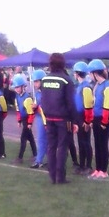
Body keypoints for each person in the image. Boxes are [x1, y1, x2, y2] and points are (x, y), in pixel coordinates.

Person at [40, 52, 77, 185]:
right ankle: (60, 177)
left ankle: (52, 176)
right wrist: (75, 121)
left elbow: (43, 99)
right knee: (62, 147)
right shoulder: (66, 80)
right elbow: (70, 103)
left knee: (51, 146)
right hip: (63, 119)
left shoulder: (45, 80)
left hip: (49, 117)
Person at [87, 59, 109, 179]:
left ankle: (104, 170)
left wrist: (104, 121)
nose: (89, 76)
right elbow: (94, 103)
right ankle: (98, 169)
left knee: (103, 144)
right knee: (97, 144)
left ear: (95, 73)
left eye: (90, 73)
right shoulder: (97, 86)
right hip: (97, 117)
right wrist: (92, 119)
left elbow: (108, 105)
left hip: (105, 118)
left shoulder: (107, 86)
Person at [72, 61, 93, 175]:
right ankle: (82, 165)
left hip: (84, 116)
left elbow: (88, 106)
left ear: (77, 73)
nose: (74, 74)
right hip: (78, 116)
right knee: (80, 142)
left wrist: (87, 121)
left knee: (86, 142)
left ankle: (88, 166)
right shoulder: (79, 86)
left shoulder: (85, 87)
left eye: (75, 72)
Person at [12, 74, 37, 164]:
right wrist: (19, 120)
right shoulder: (17, 97)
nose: (16, 89)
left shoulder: (27, 98)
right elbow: (18, 110)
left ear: (23, 87)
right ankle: (35, 154)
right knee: (30, 138)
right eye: (15, 87)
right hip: (23, 119)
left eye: (18, 87)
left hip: (27, 120)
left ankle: (20, 157)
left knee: (23, 138)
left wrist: (30, 123)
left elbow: (31, 113)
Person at [30, 69, 47, 169]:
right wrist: (34, 107)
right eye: (34, 82)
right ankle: (41, 159)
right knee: (42, 139)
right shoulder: (38, 93)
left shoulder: (47, 92)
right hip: (40, 117)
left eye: (36, 81)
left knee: (44, 139)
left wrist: (37, 107)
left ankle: (40, 160)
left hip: (46, 118)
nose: (35, 84)